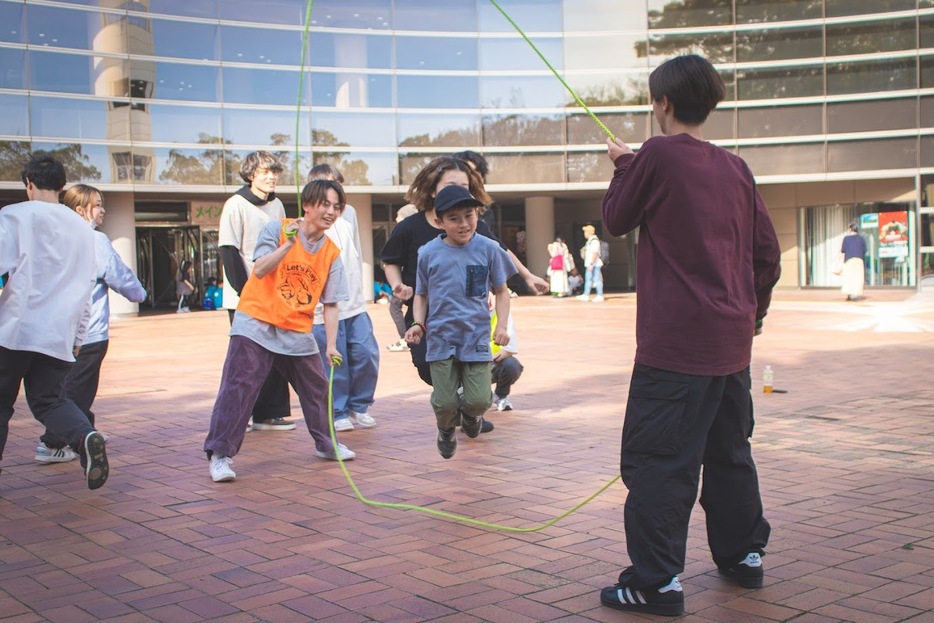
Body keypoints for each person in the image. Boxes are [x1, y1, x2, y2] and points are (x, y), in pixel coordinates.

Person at [597, 54, 782, 616]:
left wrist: (624, 165)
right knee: (730, 452)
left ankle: (656, 583)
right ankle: (743, 555)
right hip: (731, 345)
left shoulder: (655, 156)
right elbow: (767, 257)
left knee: (659, 461)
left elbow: (616, 218)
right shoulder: (736, 168)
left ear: (664, 103)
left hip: (675, 347)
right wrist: (752, 316)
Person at [203, 179, 356, 483]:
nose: (330, 211)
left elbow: (331, 304)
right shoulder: (277, 229)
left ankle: (327, 444)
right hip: (255, 322)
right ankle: (220, 455)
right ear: (308, 205)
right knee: (239, 386)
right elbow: (259, 270)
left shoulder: (331, 253)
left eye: (336, 206)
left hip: (297, 330)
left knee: (317, 388)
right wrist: (288, 245)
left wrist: (331, 345)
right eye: (325, 204)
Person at [380, 156, 548, 432]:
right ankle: (462, 407)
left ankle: (471, 409)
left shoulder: (474, 226)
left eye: (465, 187)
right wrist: (398, 285)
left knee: (469, 373)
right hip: (427, 320)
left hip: (469, 321)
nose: (459, 194)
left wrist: (528, 276)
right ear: (433, 189)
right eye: (450, 185)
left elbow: (499, 251)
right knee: (430, 371)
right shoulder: (410, 226)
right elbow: (390, 260)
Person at [0, 154, 109, 489]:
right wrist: (77, 336)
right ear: (62, 187)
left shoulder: (13, 215)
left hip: (14, 330)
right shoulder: (83, 228)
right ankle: (84, 435)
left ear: (29, 184)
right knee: (50, 401)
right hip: (58, 332)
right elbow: (86, 286)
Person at [35, 184, 147, 464]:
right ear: (80, 210)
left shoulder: (52, 239)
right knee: (79, 388)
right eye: (97, 205)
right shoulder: (96, 241)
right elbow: (121, 277)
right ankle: (52, 443)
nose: (103, 210)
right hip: (89, 332)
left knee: (67, 383)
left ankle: (86, 427)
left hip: (56, 329)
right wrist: (140, 295)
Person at [403, 185, 515, 459]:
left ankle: (471, 417)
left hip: (475, 337)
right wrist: (418, 324)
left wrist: (501, 326)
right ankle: (445, 429)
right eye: (454, 218)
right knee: (444, 402)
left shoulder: (489, 249)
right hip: (441, 337)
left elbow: (502, 291)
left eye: (469, 215)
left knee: (479, 400)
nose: (464, 224)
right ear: (439, 222)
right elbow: (421, 294)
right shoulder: (428, 253)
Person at [218, 151, 295, 432]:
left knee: (274, 353)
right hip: (244, 295)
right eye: (265, 172)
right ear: (251, 175)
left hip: (274, 294)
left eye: (274, 172)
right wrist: (245, 292)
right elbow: (228, 249)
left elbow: (286, 246)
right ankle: (240, 416)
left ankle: (269, 414)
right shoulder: (235, 205)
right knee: (246, 359)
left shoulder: (278, 206)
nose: (271, 177)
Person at [308, 164, 380, 432]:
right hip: (325, 307)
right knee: (335, 360)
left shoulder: (348, 212)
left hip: (354, 303)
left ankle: (359, 406)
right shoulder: (309, 221)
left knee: (366, 353)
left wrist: (362, 289)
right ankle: (336, 410)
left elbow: (356, 253)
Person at [386, 204, 418, 352]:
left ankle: (405, 337)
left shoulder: (410, 230)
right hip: (403, 283)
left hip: (412, 284)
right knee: (395, 305)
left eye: (399, 220)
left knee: (397, 305)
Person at [490, 302, 523, 412]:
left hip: (491, 362)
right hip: (468, 364)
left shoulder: (501, 313)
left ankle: (501, 395)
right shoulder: (464, 310)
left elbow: (510, 349)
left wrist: (486, 359)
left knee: (511, 365)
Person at [576, 224, 604, 302]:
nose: (584, 234)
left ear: (589, 232)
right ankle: (586, 294)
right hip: (591, 264)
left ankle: (599, 295)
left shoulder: (594, 241)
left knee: (597, 279)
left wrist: (591, 263)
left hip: (594, 264)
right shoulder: (591, 240)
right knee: (588, 279)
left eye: (585, 232)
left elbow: (595, 253)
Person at [840, 223, 867, 301]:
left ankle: (849, 293)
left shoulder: (846, 238)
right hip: (859, 259)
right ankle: (856, 294)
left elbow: (843, 250)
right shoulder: (861, 239)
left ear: (850, 229)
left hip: (849, 259)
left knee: (849, 277)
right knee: (858, 277)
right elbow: (864, 250)